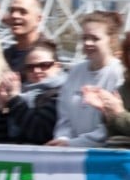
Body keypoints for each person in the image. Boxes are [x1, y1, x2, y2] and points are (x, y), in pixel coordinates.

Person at [49, 11, 124, 148]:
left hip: (102, 152)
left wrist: (73, 143)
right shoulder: (75, 72)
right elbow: (64, 116)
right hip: (70, 151)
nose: (88, 43)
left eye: (95, 39)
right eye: (85, 38)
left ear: (111, 40)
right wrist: (62, 138)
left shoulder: (119, 73)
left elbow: (109, 125)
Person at [0, 39, 66, 145]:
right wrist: (0, 108)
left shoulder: (60, 93)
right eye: (30, 67)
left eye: (44, 65)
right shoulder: (21, 93)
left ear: (57, 66)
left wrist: (14, 99)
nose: (36, 71)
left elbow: (40, 132)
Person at [2, 0, 44, 74]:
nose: (15, 15)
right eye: (12, 11)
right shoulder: (5, 55)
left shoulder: (46, 56)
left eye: (23, 12)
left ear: (38, 19)